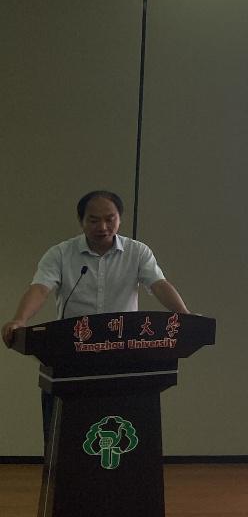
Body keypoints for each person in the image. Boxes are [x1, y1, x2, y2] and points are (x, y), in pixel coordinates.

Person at [2, 190, 191, 445]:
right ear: (81, 221)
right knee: (70, 433)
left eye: (109, 219)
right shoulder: (60, 254)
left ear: (120, 219)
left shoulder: (137, 252)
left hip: (123, 352)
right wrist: (20, 320)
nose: (102, 227)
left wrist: (185, 316)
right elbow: (40, 289)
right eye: (93, 220)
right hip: (73, 352)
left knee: (126, 417)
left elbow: (158, 285)